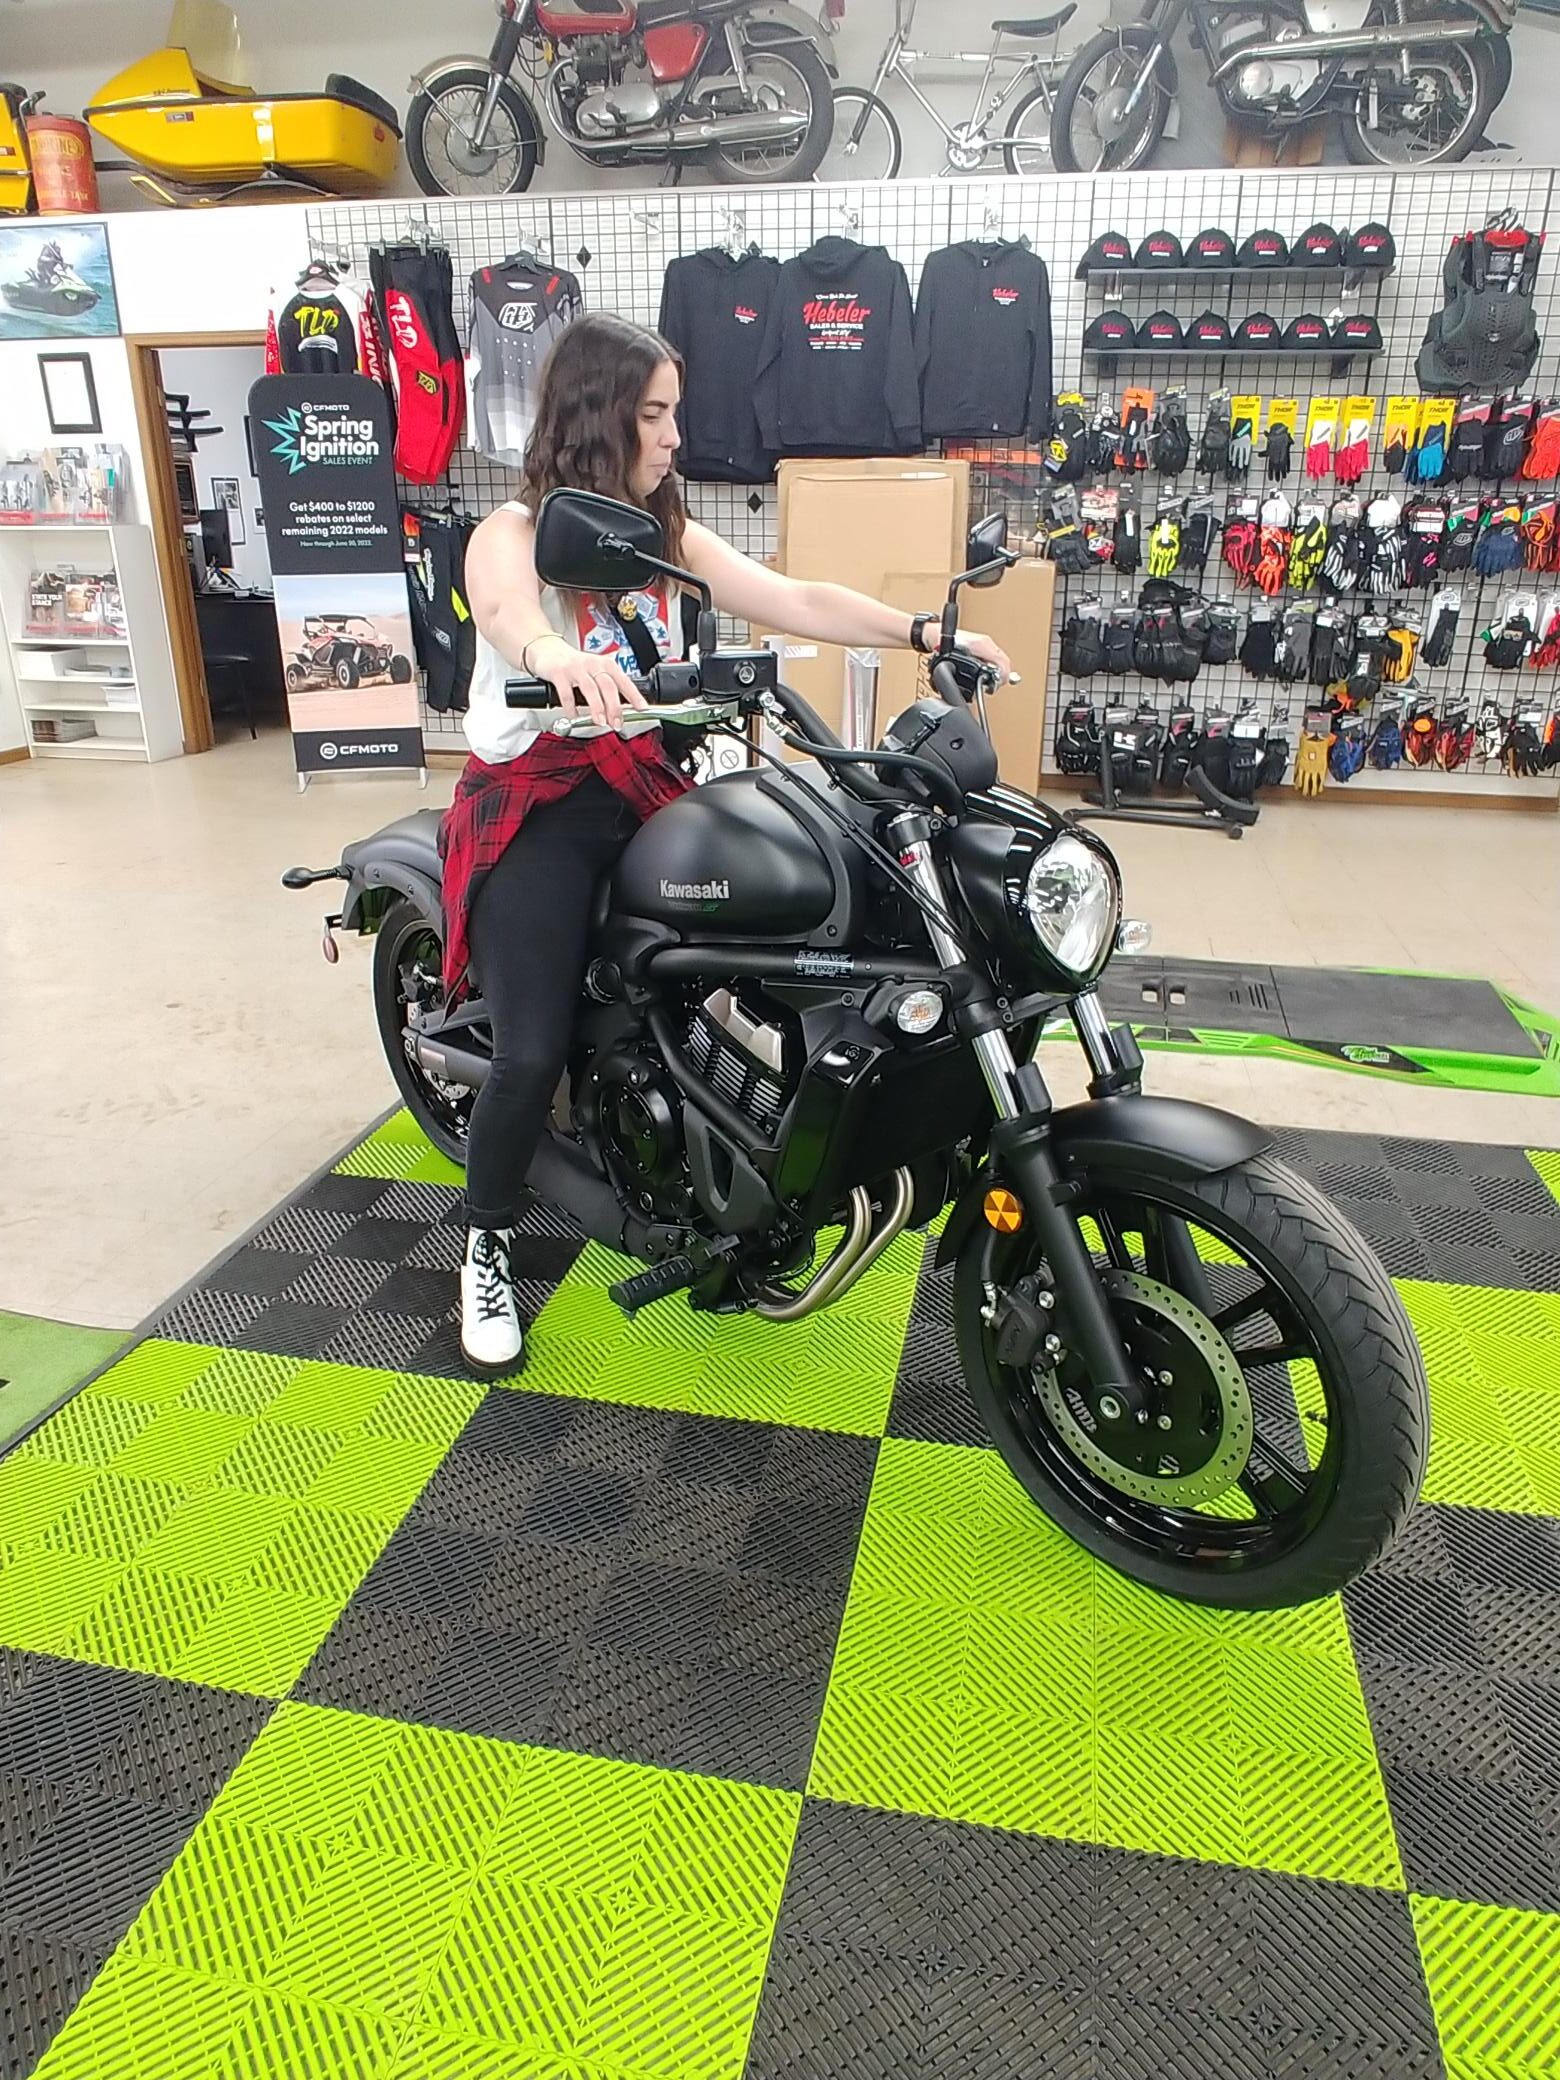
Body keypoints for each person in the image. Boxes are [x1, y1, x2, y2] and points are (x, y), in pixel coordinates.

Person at [444, 311, 1012, 1376]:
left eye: (674, 413)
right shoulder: (514, 532)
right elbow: (505, 608)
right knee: (527, 1049)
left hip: (655, 785)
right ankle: (484, 1240)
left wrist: (924, 632)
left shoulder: (664, 539)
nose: (671, 435)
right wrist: (550, 653)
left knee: (803, 926)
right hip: (545, 804)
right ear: (596, 414)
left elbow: (794, 595)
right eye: (653, 414)